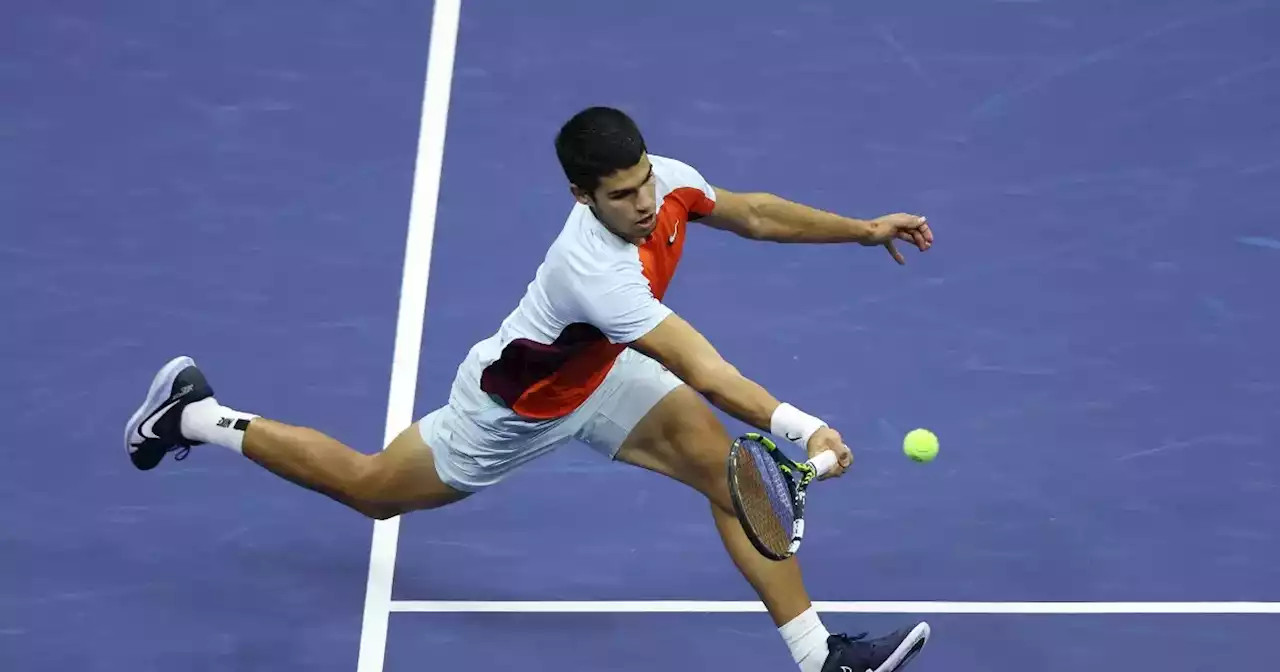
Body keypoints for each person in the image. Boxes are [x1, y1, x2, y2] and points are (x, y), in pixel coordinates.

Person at [124, 106, 934, 672]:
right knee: (370, 489)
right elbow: (705, 367)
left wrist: (862, 229)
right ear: (582, 196)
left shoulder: (668, 185)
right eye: (622, 195)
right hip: (511, 410)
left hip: (605, 376)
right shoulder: (597, 272)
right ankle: (193, 412)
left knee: (726, 472)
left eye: (646, 181)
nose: (646, 203)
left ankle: (821, 659)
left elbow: (753, 213)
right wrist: (805, 426)